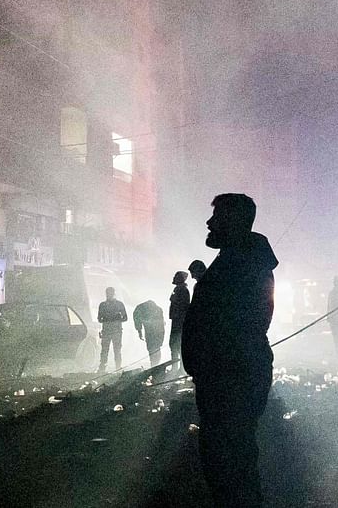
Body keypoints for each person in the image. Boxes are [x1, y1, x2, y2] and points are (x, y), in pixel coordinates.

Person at [182, 193, 278, 507]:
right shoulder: (239, 262)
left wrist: (209, 362)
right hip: (228, 375)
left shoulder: (241, 266)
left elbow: (232, 327)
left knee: (229, 465)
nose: (209, 223)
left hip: (230, 378)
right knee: (231, 462)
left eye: (217, 217)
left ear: (234, 222)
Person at [97, 287, 127, 372]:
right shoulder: (117, 304)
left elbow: (99, 319)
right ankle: (114, 367)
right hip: (111, 331)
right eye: (108, 293)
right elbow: (125, 318)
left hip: (112, 331)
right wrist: (115, 319)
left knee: (111, 350)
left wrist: (110, 319)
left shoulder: (104, 305)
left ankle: (109, 367)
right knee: (111, 350)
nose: (108, 295)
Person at [132, 300, 166, 367]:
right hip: (155, 330)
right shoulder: (157, 309)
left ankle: (154, 364)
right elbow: (161, 324)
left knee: (153, 347)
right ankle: (155, 364)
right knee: (155, 347)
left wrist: (139, 331)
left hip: (153, 330)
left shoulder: (140, 309)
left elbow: (137, 320)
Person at [168, 271, 190, 367]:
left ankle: (179, 367)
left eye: (176, 276)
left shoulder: (182, 290)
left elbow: (183, 305)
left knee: (176, 344)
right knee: (174, 344)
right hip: (177, 319)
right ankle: (177, 367)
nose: (173, 278)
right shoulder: (178, 289)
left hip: (179, 320)